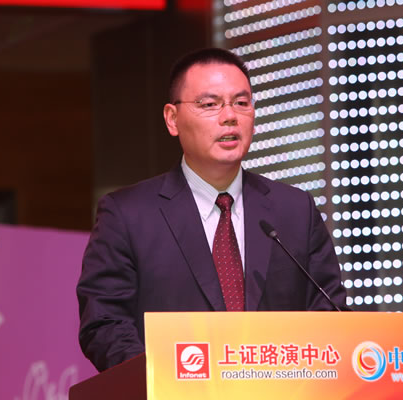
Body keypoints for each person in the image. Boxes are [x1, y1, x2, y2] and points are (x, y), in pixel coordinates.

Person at [76, 47, 347, 372]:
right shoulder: (128, 215)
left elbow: (329, 314)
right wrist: (158, 380)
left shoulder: (295, 210)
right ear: (172, 119)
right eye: (210, 104)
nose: (229, 116)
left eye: (241, 103)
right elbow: (104, 323)